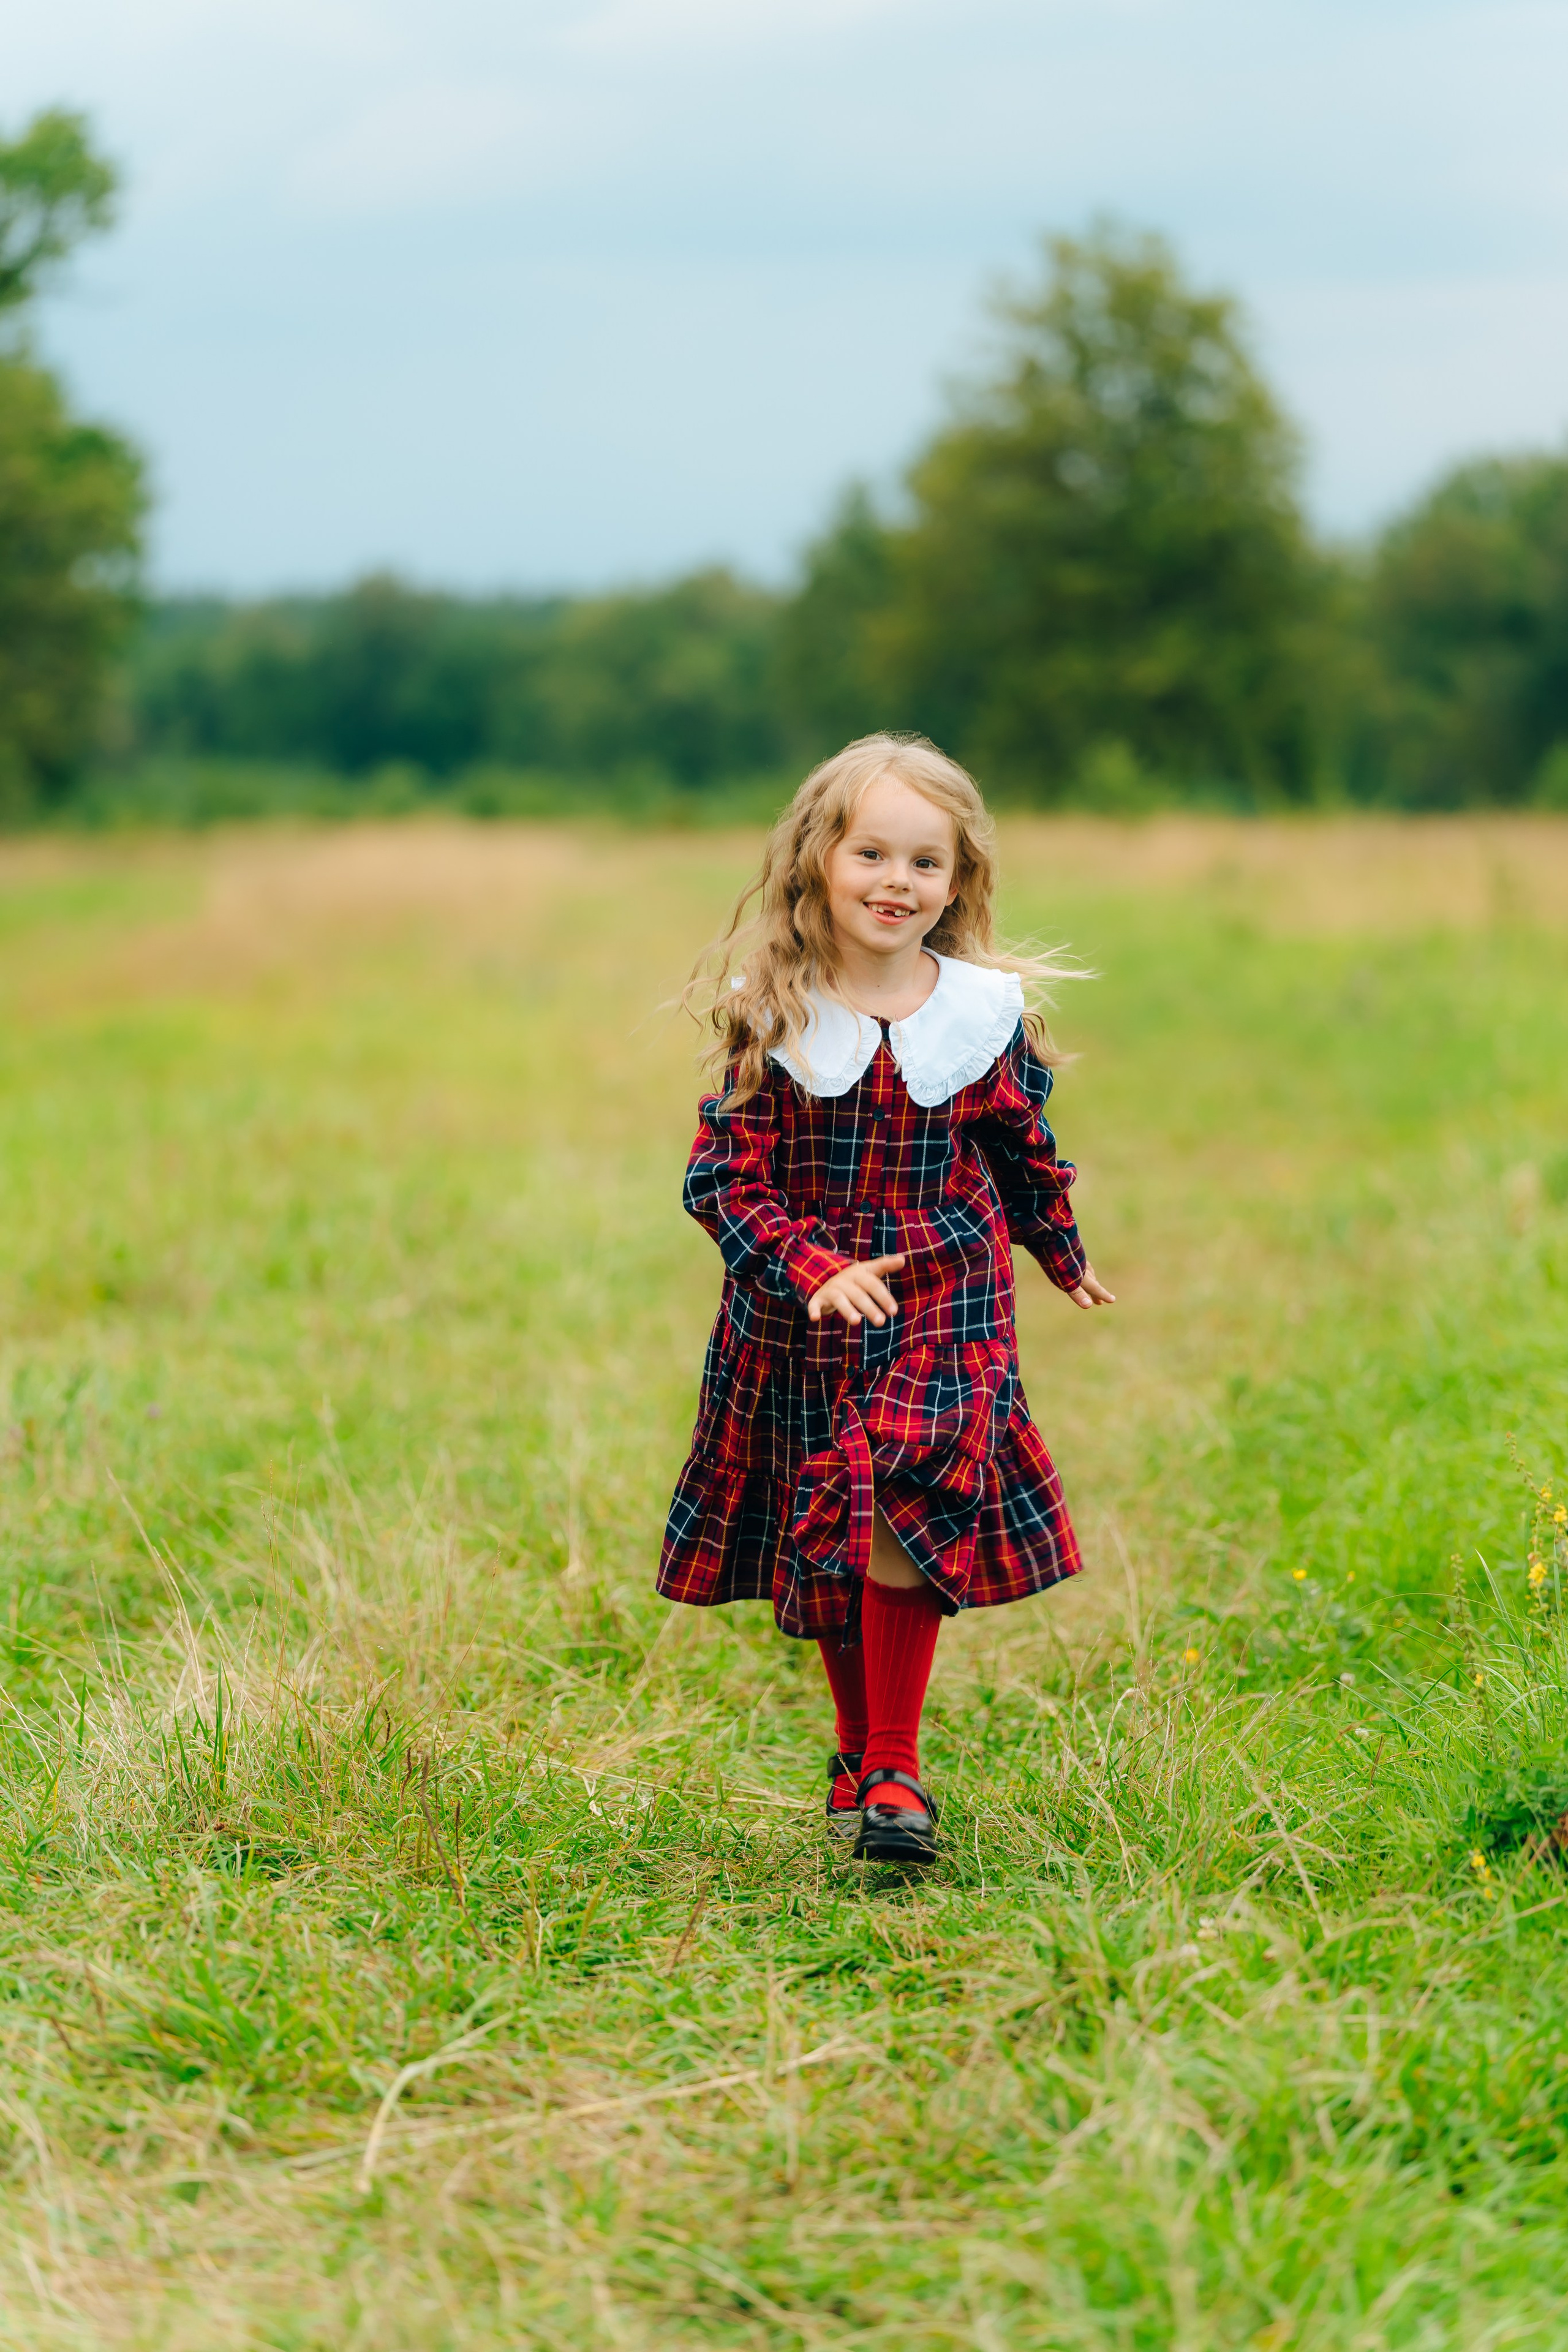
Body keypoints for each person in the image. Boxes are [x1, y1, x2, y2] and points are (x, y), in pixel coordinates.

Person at [659, 734, 1114, 1865]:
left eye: (925, 862)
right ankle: (863, 1745)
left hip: (948, 1294)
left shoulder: (981, 1012)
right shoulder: (773, 1012)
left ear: (957, 883)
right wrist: (814, 1269)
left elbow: (1023, 1150)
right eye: (872, 853)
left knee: (910, 1491)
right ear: (819, 858)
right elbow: (722, 1182)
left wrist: (1059, 1252)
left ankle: (897, 1769)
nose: (895, 882)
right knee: (837, 1518)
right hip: (805, 1310)